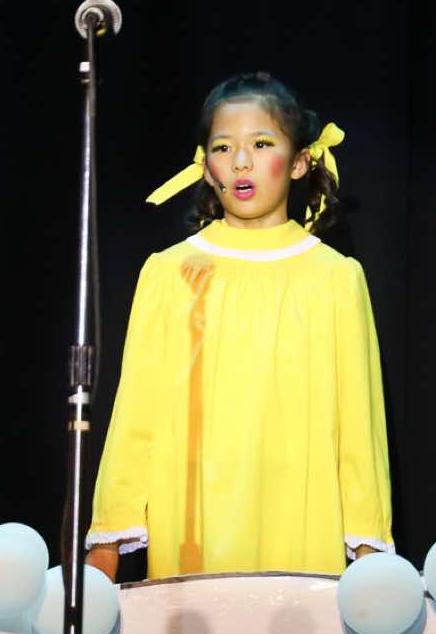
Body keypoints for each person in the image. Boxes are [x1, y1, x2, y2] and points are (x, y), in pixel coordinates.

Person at [84, 72, 392, 581]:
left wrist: (371, 555)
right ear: (206, 167)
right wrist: (106, 547)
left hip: (300, 522)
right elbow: (136, 412)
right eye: (223, 147)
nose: (241, 162)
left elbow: (361, 426)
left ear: (300, 162)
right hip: (192, 523)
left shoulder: (335, 277)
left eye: (262, 144)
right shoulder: (170, 271)